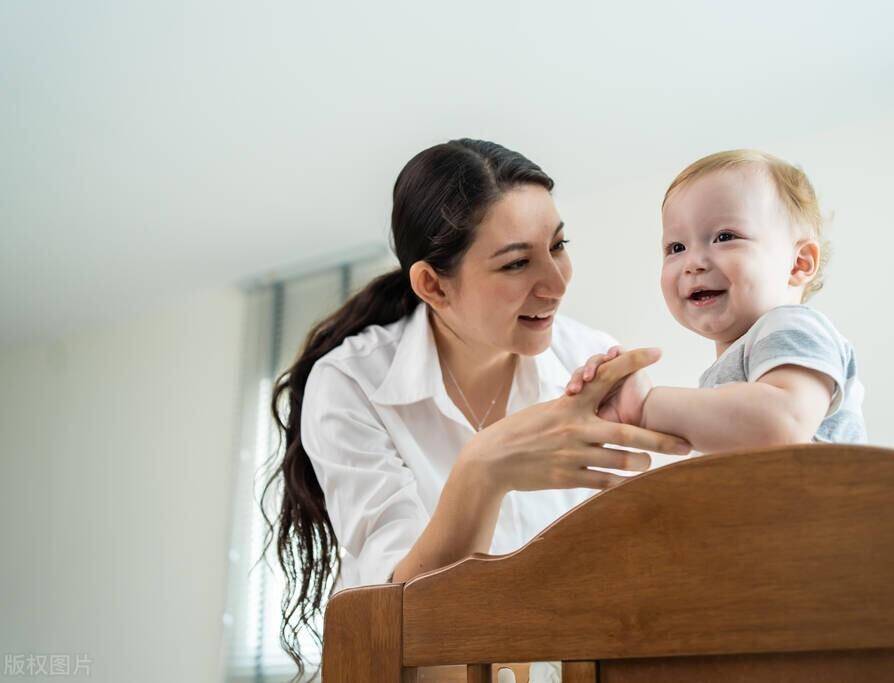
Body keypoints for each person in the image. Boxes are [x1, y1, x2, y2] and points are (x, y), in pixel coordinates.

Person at [264, 138, 691, 680]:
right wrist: (481, 471)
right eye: (517, 263)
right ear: (432, 286)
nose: (557, 284)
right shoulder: (352, 383)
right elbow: (394, 615)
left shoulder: (587, 362)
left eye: (559, 246)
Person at [567, 149, 867, 450]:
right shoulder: (732, 373)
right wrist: (617, 396)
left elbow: (782, 424)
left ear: (799, 263)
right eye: (676, 247)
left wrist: (645, 406)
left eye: (725, 237)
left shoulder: (793, 325)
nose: (692, 262)